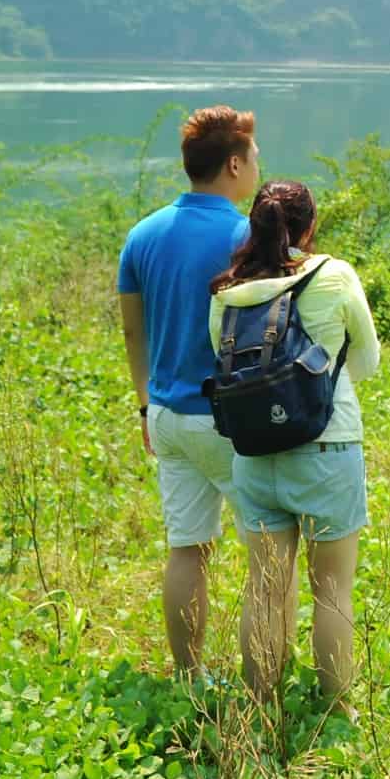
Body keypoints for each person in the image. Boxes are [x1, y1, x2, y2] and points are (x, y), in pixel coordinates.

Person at [208, 179, 382, 707]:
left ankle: (261, 703)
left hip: (255, 454)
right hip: (328, 448)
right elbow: (367, 361)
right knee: (332, 591)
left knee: (264, 587)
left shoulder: (225, 293)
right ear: (308, 227)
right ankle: (336, 708)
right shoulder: (333, 275)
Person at [117, 105, 263, 675]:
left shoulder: (143, 234)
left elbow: (135, 328)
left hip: (167, 415)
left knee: (188, 549)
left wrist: (145, 402)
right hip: (230, 420)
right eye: (253, 156)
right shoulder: (245, 235)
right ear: (233, 164)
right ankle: (261, 686)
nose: (256, 166)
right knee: (267, 555)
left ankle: (188, 675)